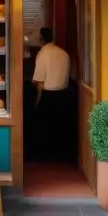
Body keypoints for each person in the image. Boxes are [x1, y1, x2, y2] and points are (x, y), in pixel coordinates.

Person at [31, 28, 72, 161]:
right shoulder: (64, 53)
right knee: (60, 127)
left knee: (44, 129)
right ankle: (60, 156)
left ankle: (45, 157)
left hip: (48, 95)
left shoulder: (43, 54)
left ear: (41, 39)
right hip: (65, 94)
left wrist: (37, 101)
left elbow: (40, 81)